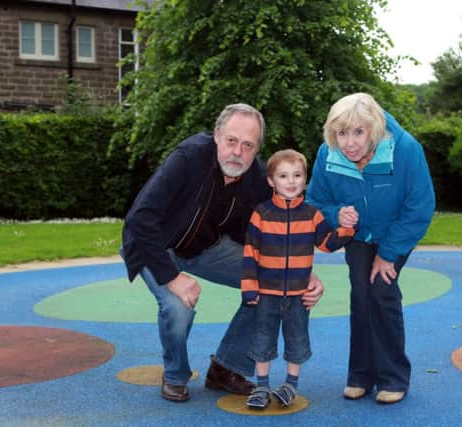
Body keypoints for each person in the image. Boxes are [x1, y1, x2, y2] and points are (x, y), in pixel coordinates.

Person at [121, 103, 325, 403]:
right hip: (154, 246)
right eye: (231, 141)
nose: (237, 152)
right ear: (217, 136)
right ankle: (176, 375)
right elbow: (140, 219)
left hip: (207, 248)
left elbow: (273, 232)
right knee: (178, 306)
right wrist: (172, 277)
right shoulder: (188, 158)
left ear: (256, 150)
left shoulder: (256, 178)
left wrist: (303, 274)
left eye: (248, 145)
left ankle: (227, 367)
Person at [306, 93, 435, 404]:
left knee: (381, 288)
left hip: (396, 231)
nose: (349, 143)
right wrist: (337, 215)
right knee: (361, 294)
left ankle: (393, 377)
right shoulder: (328, 155)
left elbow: (420, 206)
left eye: (358, 132)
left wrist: (389, 254)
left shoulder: (405, 150)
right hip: (359, 236)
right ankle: (360, 375)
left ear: (373, 129)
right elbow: (314, 203)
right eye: (342, 133)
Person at [240, 149, 355, 409]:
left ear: (305, 180)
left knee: (297, 339)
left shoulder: (312, 214)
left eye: (297, 175)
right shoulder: (262, 214)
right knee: (262, 339)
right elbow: (250, 253)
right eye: (283, 175)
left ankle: (291, 384)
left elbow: (327, 243)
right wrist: (249, 286)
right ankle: (261, 386)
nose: (291, 181)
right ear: (271, 181)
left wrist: (346, 228)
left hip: (298, 295)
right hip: (266, 294)